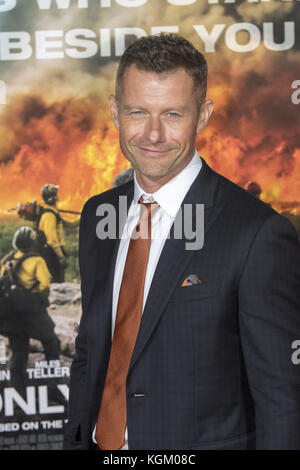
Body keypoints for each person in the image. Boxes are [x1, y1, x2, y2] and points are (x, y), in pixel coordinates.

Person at [64, 34, 300, 450]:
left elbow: (282, 399)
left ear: (203, 115)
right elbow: (92, 350)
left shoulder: (257, 233)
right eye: (139, 112)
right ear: (115, 111)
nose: (153, 134)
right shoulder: (98, 214)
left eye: (172, 114)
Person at [0, 226, 60, 396]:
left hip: (12, 315)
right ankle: (52, 384)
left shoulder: (8, 260)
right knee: (51, 343)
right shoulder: (37, 261)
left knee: (18, 350)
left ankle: (18, 390)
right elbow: (44, 286)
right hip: (32, 312)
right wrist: (42, 302)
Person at [37, 184, 79, 283]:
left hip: (53, 252)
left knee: (58, 280)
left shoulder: (53, 213)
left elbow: (70, 224)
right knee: (56, 282)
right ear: (54, 197)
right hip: (52, 254)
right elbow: (52, 240)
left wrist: (85, 214)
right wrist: (60, 256)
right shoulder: (49, 215)